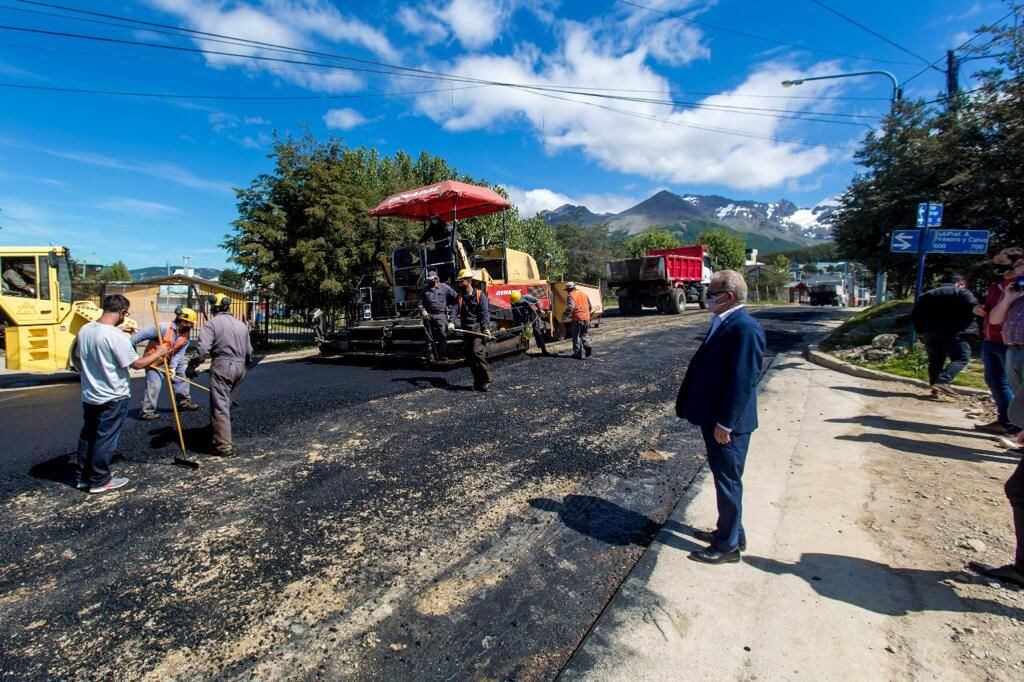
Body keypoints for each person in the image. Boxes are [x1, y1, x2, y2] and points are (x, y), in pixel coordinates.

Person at [675, 270, 766, 564]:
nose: (706, 298)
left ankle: (727, 548)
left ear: (727, 297)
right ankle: (731, 533)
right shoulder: (725, 322)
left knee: (728, 482)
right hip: (717, 419)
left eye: (711, 293)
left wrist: (725, 423)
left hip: (727, 425)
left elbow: (743, 382)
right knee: (726, 478)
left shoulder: (745, 329)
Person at [75, 294, 170, 494]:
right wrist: (159, 352)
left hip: (90, 394)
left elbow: (79, 357)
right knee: (105, 438)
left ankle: (83, 477)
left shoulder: (85, 330)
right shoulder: (117, 337)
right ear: (122, 312)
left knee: (88, 436)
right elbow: (137, 363)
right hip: (113, 395)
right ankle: (100, 480)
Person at [187, 294, 252, 456]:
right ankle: (217, 433)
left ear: (213, 308)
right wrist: (243, 367)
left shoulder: (211, 324)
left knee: (220, 406)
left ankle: (222, 446)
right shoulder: (241, 325)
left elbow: (202, 351)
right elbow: (249, 352)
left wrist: (192, 365)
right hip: (241, 367)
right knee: (227, 403)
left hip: (223, 366)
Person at [973, 248, 1023, 434]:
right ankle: (1006, 421)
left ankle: (1016, 425)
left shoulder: (1018, 286)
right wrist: (979, 309)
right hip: (991, 338)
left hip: (1009, 342)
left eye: (1002, 263)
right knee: (995, 381)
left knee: (1013, 386)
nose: (997, 267)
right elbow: (993, 313)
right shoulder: (1000, 286)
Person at [911, 274, 979, 397]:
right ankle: (943, 380)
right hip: (955, 332)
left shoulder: (927, 295)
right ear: (959, 283)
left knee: (936, 360)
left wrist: (920, 331)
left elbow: (915, 315)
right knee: (961, 358)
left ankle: (935, 388)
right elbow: (974, 307)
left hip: (929, 332)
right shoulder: (962, 293)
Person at [130, 307, 200, 420]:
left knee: (182, 377)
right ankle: (147, 411)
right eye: (190, 323)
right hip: (155, 361)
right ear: (182, 321)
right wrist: (132, 356)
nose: (192, 326)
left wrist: (173, 367)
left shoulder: (186, 335)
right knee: (154, 386)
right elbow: (134, 339)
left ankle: (184, 403)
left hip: (171, 359)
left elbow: (180, 353)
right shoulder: (161, 327)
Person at [989, 254, 1024, 406]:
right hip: (1012, 349)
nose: (1018, 272)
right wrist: (1008, 299)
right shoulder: (1013, 292)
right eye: (1017, 268)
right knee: (1019, 397)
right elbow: (995, 319)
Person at [454, 268, 492, 392]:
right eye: (459, 281)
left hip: (477, 330)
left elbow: (484, 313)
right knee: (470, 357)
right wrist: (450, 321)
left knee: (477, 353)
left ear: (468, 280)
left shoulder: (480, 295)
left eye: (461, 281)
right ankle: (477, 381)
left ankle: (486, 379)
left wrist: (486, 329)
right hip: (466, 330)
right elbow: (454, 310)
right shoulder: (460, 297)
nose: (459, 283)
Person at [418, 270, 457, 360]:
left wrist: (453, 308)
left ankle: (442, 354)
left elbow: (456, 296)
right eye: (428, 279)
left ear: (436, 279)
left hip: (441, 315)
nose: (429, 281)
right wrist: (423, 311)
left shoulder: (444, 287)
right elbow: (420, 303)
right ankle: (430, 354)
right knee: (428, 336)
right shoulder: (425, 290)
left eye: (431, 279)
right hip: (428, 315)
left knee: (443, 335)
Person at [510, 290, 549, 356]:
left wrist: (540, 309)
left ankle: (543, 350)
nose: (515, 303)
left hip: (532, 314)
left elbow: (537, 300)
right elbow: (514, 313)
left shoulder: (527, 297)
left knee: (537, 330)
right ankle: (523, 350)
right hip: (522, 317)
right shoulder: (513, 302)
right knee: (524, 331)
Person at [562, 282, 593, 360]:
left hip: (577, 319)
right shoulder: (584, 294)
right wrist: (587, 315)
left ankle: (577, 353)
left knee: (576, 336)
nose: (567, 291)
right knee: (585, 334)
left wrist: (565, 315)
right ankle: (588, 346)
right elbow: (590, 306)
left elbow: (571, 307)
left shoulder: (571, 295)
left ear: (569, 289)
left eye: (567, 290)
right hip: (586, 318)